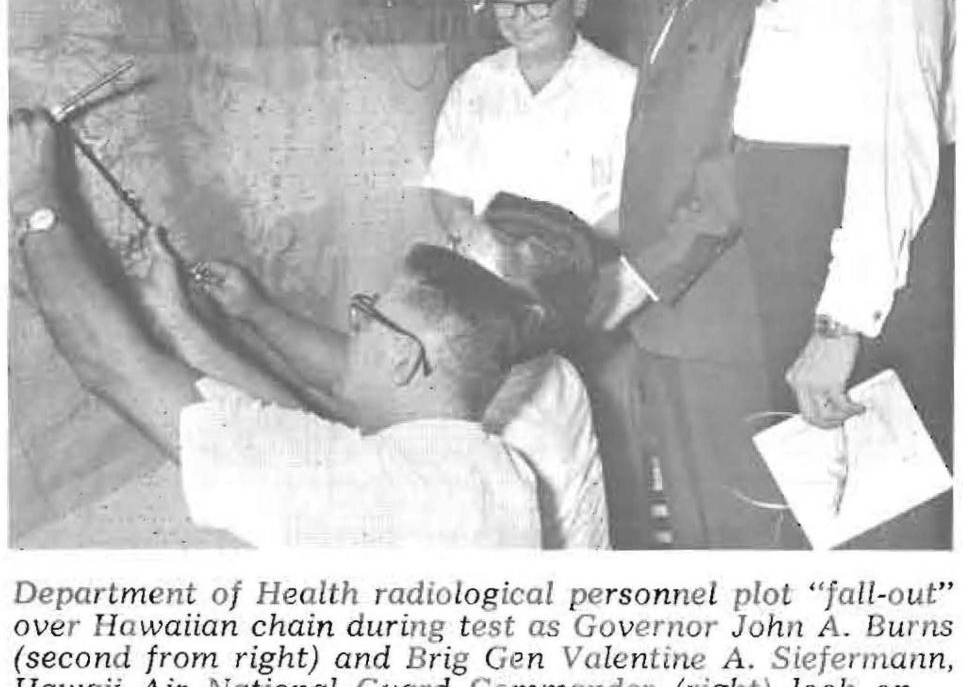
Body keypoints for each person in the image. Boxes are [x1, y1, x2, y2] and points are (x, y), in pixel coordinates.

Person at [10, 110, 600, 547]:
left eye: (366, 317)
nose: (351, 331)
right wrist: (178, 322)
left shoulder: (386, 489)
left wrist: (34, 201)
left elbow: (111, 367)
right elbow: (302, 441)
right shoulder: (491, 470)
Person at [733, 0, 954, 547]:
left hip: (854, 272)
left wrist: (840, 328)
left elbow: (896, 140)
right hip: (803, 250)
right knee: (823, 517)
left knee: (877, 526)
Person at [585, 0, 779, 548]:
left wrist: (642, 275)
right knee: (698, 532)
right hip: (673, 320)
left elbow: (743, 162)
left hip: (718, 322)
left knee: (737, 536)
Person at [425, 0, 637, 246]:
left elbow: (637, 207)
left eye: (537, 3)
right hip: (487, 277)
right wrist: (464, 226)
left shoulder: (625, 90)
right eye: (505, 3)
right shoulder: (474, 86)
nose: (519, 20)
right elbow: (447, 183)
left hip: (585, 281)